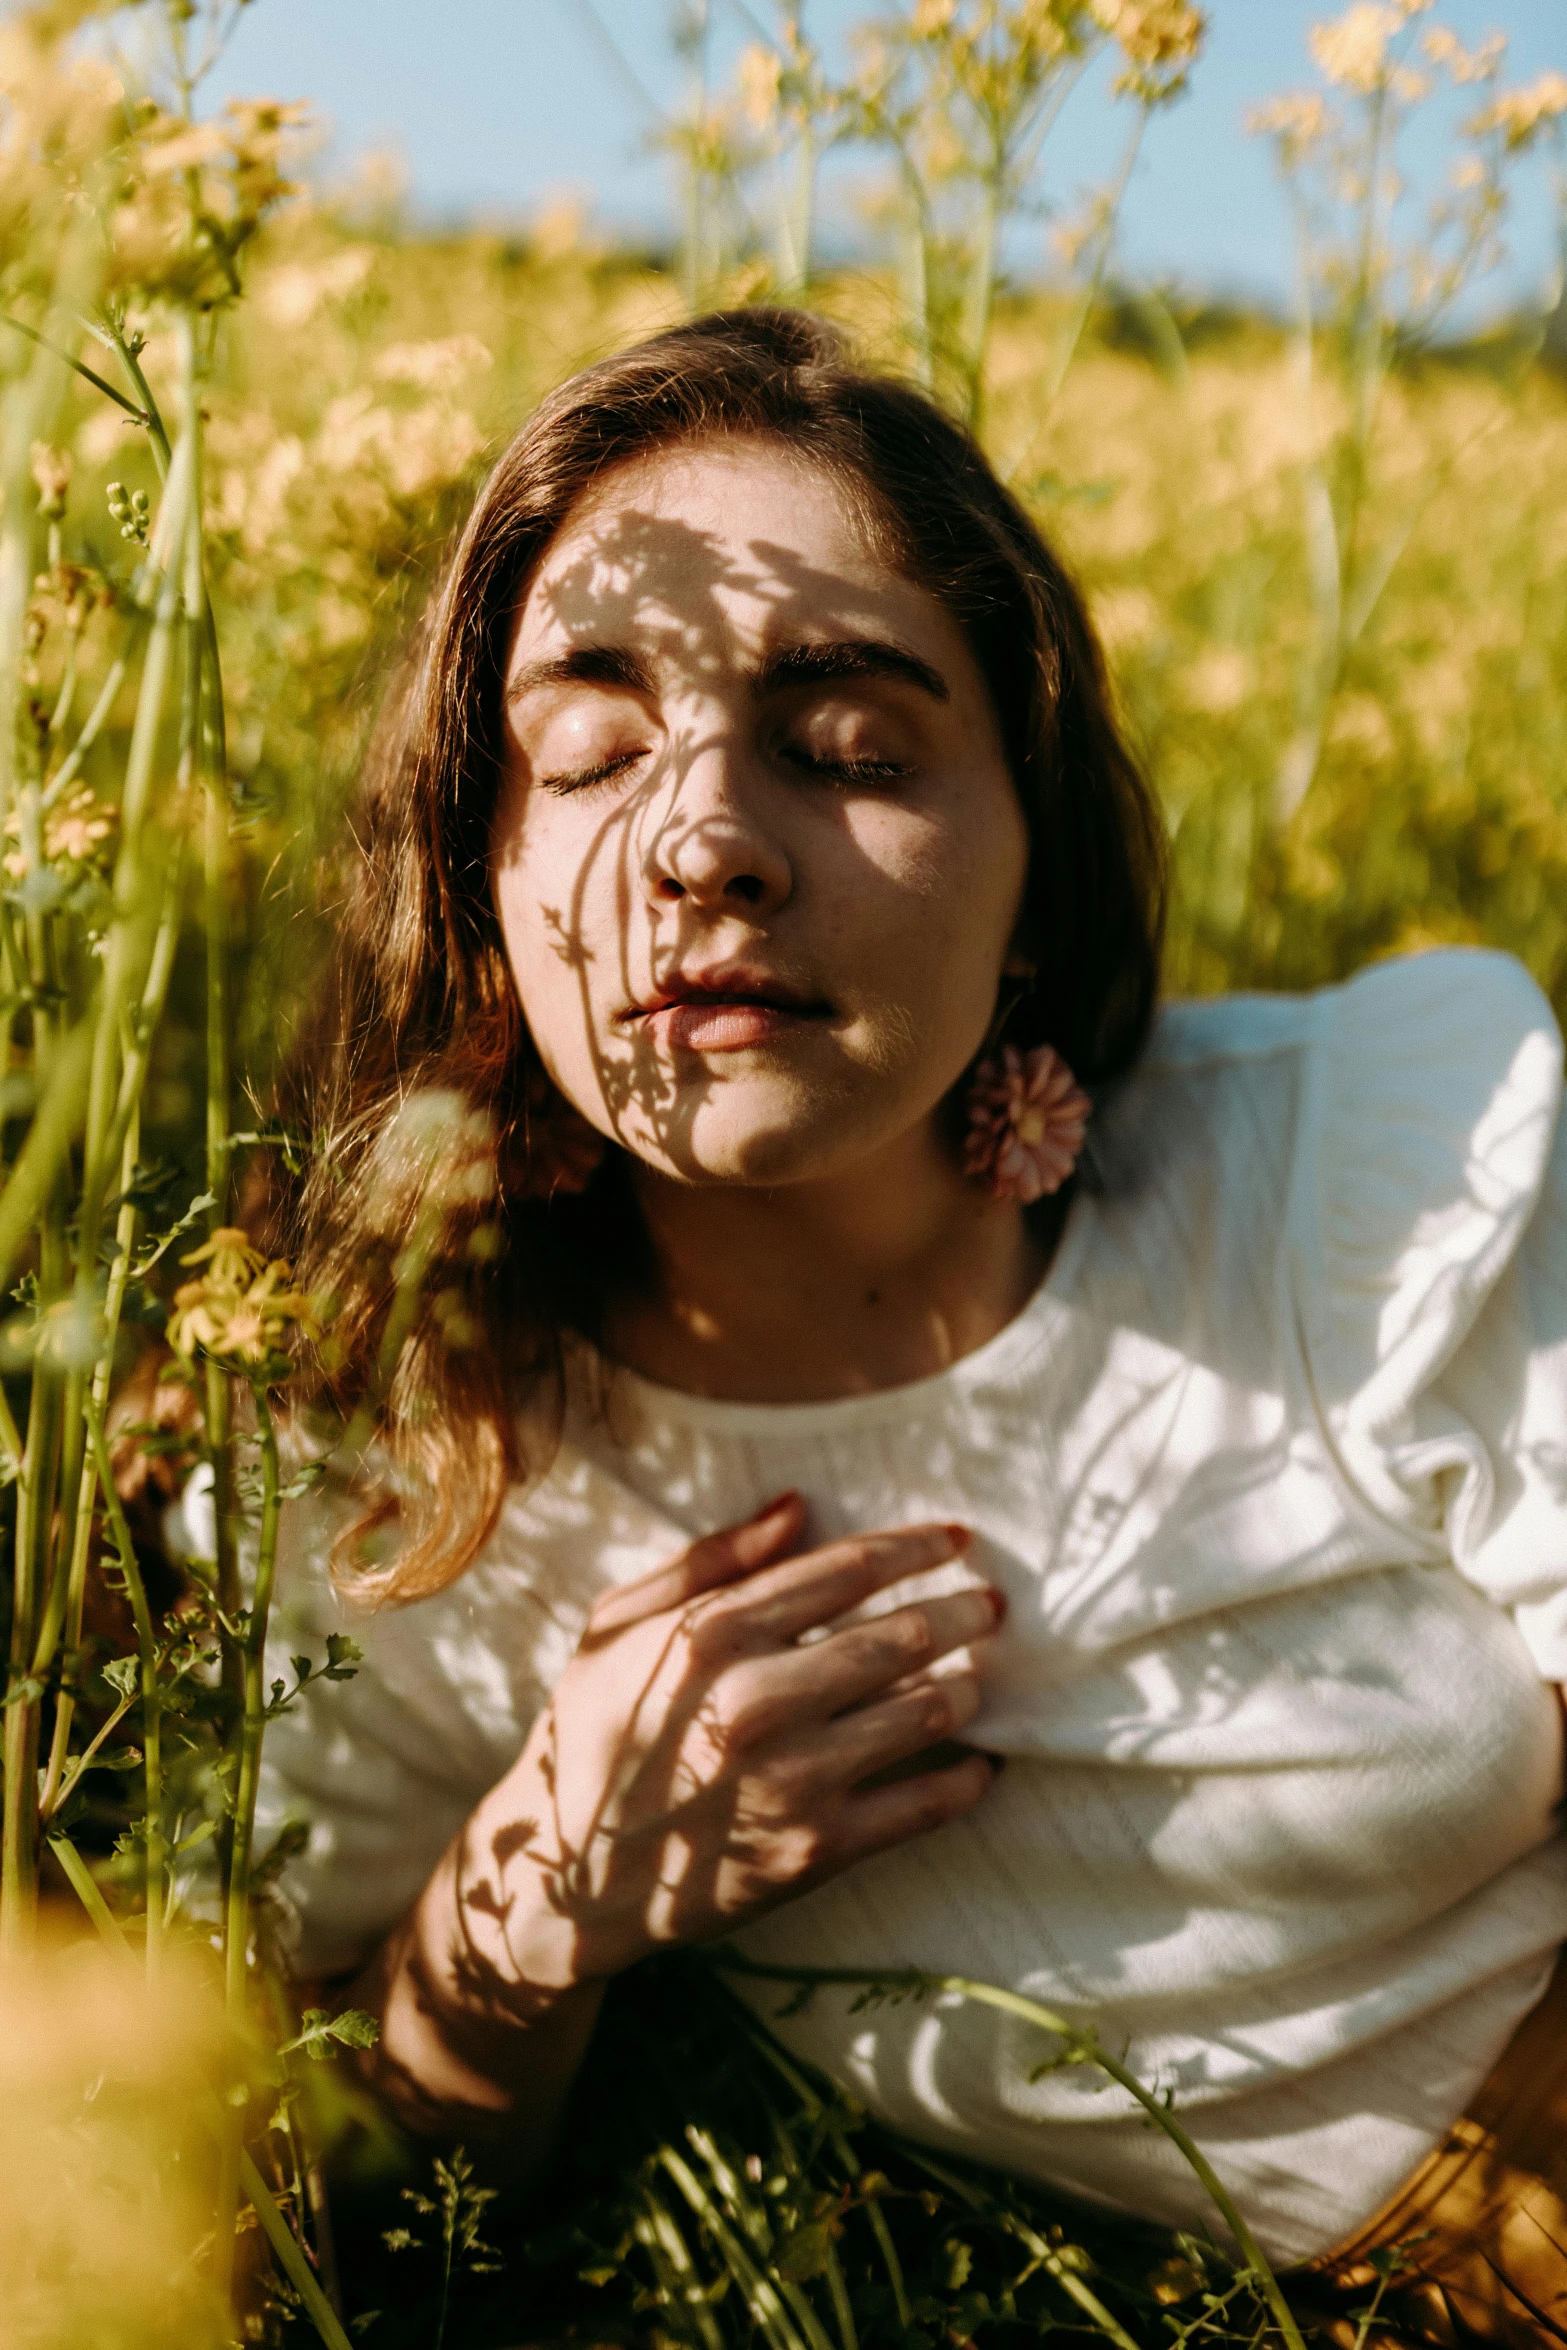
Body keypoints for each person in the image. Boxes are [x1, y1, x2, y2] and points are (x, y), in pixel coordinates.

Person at [250, 308, 1567, 2342]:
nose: (702, 843)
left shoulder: (1359, 1171)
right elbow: (316, 2209)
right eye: (588, 750)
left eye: (855, 747)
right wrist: (523, 1916)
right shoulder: (420, 1480)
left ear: (1031, 861)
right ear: (476, 872)